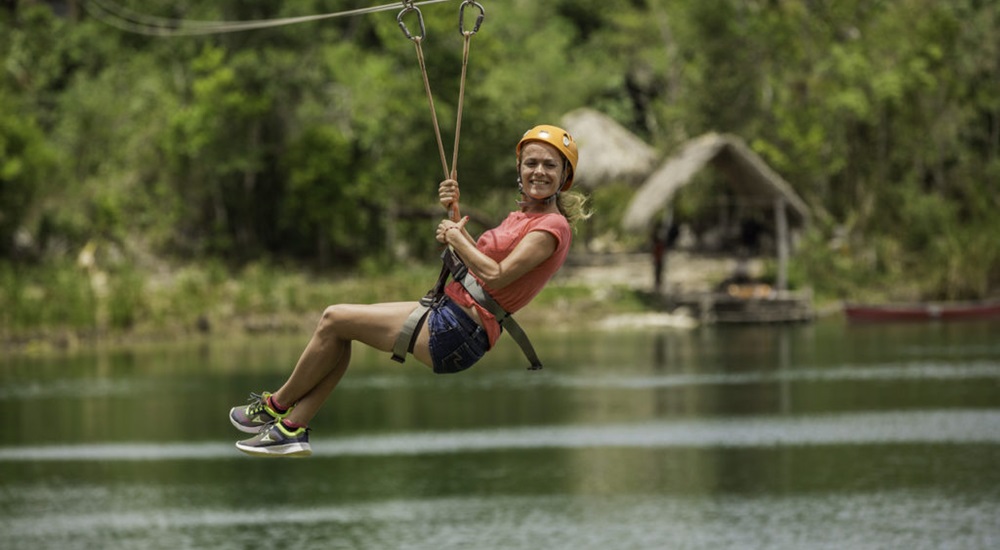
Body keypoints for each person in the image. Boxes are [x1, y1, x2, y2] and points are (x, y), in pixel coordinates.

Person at [228, 125, 591, 457]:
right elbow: (477, 263)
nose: (539, 172)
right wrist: (455, 220)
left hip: (459, 331)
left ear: (564, 177)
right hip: (449, 314)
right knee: (337, 329)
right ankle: (292, 428)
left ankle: (276, 407)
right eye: (531, 163)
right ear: (519, 169)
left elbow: (496, 276)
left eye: (549, 166)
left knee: (333, 318)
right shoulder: (522, 216)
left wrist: (456, 239)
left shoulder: (551, 227)